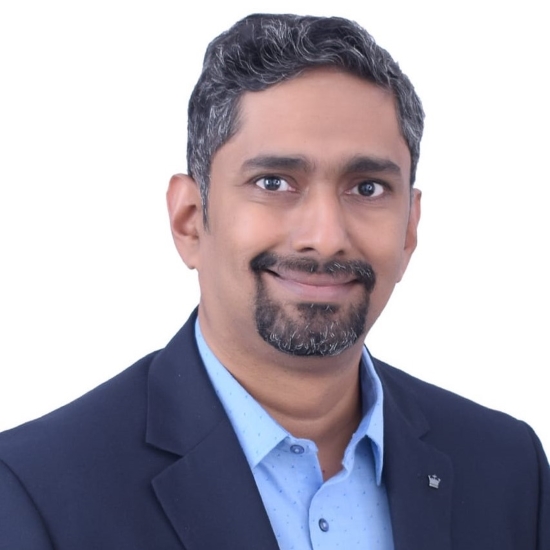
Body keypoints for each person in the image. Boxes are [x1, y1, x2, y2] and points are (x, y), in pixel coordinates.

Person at [0, 12, 548, 550]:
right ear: (189, 220)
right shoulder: (35, 491)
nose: (325, 238)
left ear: (409, 229)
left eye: (367, 188)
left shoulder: (509, 470)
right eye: (274, 182)